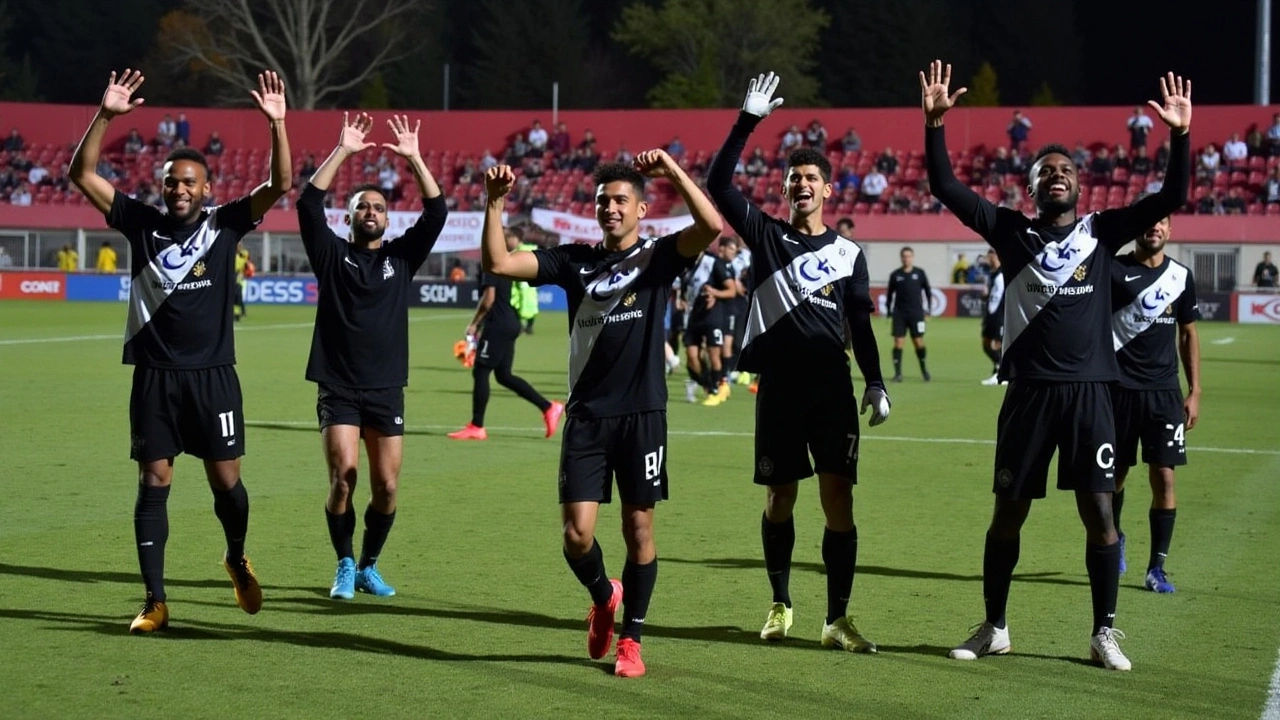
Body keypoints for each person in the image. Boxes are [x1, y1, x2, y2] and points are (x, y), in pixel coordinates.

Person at [921, 60, 1192, 671]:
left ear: (1081, 186)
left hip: (1093, 394)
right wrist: (935, 125)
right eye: (1048, 172)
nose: (1059, 177)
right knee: (1008, 511)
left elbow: (1172, 196)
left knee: (1099, 512)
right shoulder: (1010, 232)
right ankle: (995, 626)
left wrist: (1178, 136)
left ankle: (1104, 632)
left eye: (1067, 171)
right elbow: (946, 188)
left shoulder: (1102, 233)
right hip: (1029, 396)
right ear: (1032, 187)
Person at [479, 149, 722, 678]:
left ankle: (631, 640)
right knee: (576, 536)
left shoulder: (659, 257)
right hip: (587, 416)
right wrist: (493, 204)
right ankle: (602, 595)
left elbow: (712, 224)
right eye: (602, 201)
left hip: (642, 415)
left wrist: (674, 173)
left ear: (640, 210)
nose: (610, 208)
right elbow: (498, 263)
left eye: (620, 200)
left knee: (639, 528)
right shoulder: (572, 262)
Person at [69, 68, 292, 633]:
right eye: (171, 181)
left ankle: (236, 556)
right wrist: (106, 115)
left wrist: (278, 125)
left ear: (207, 188)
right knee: (154, 482)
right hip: (154, 377)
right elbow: (81, 173)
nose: (179, 190)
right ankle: (155, 600)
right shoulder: (140, 223)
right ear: (162, 185)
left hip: (214, 376)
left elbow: (282, 182)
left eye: (189, 182)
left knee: (227, 483)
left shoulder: (226, 226)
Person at [707, 72, 891, 652]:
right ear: (786, 191)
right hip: (780, 388)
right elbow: (718, 182)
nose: (803, 184)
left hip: (832, 386)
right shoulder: (764, 234)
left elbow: (859, 323)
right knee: (779, 497)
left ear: (828, 191)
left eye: (812, 177)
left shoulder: (849, 253)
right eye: (794, 179)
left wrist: (876, 381)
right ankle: (781, 603)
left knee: (839, 497)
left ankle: (837, 618)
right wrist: (747, 120)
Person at [296, 112, 447, 601]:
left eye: (379, 207)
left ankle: (368, 565)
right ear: (350, 217)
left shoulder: (400, 259)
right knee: (344, 478)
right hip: (337, 383)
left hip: (385, 387)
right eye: (362, 206)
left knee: (385, 487)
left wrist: (414, 158)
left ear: (388, 218)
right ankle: (343, 563)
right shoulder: (330, 254)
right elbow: (307, 203)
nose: (371, 212)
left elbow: (437, 213)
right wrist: (343, 151)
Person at [1110, 216, 1200, 595]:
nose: (1154, 227)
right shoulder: (1113, 271)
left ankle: (1156, 569)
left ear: (1170, 230)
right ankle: (1113, 541)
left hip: (1164, 393)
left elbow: (1188, 333)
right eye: (1148, 221)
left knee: (1164, 476)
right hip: (1117, 391)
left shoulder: (1181, 276)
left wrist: (1194, 390)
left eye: (1161, 221)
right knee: (1114, 476)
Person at [447, 226, 564, 441]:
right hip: (510, 321)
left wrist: (474, 325)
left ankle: (477, 426)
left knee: (481, 371)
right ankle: (549, 408)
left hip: (498, 324)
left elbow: (489, 299)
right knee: (504, 375)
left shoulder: (491, 262)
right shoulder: (505, 260)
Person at [682, 244, 735, 405]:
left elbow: (731, 290)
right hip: (693, 316)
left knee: (714, 355)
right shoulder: (685, 265)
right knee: (691, 357)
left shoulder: (713, 263)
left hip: (713, 316)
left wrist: (714, 293)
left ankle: (716, 390)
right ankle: (708, 385)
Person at [886, 247, 933, 382]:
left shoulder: (920, 273)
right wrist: (889, 310)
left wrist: (928, 310)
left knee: (918, 342)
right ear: (901, 258)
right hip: (899, 314)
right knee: (898, 342)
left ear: (912, 257)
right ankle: (898, 374)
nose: (906, 259)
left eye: (909, 256)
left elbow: (928, 291)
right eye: (904, 256)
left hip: (916, 314)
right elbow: (890, 294)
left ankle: (924, 370)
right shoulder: (895, 275)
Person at [721, 235, 753, 386]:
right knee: (730, 337)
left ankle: (741, 369)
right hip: (731, 301)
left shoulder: (749, 256)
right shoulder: (731, 260)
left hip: (744, 301)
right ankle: (732, 369)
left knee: (739, 337)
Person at [979, 248, 1005, 386]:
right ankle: (998, 371)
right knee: (986, 343)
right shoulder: (991, 274)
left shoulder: (1003, 273)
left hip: (999, 314)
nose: (991, 260)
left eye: (993, 257)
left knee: (996, 344)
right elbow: (991, 295)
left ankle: (1001, 374)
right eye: (989, 257)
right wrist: (985, 296)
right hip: (990, 314)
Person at [233, 241, 253, 321]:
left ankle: (240, 313)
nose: (239, 247)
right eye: (237, 245)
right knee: (234, 298)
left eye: (240, 246)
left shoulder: (243, 254)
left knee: (238, 297)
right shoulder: (232, 254)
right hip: (232, 278)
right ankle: (237, 314)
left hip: (238, 279)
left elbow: (246, 258)